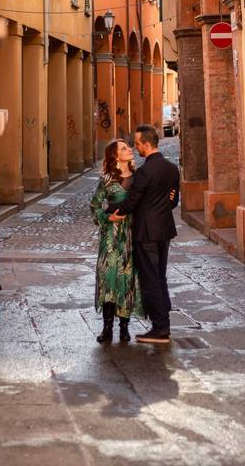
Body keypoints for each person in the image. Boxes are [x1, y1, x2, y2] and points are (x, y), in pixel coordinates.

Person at [108, 124, 180, 344]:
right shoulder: (171, 168)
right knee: (160, 277)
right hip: (164, 230)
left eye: (138, 144)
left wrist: (111, 212)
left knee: (150, 280)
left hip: (146, 233)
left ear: (146, 144)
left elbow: (132, 201)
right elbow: (173, 200)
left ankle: (160, 329)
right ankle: (163, 323)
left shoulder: (145, 171)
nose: (136, 147)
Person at [89, 139, 143, 343]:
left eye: (129, 147)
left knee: (127, 280)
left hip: (131, 235)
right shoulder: (107, 179)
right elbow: (94, 206)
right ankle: (107, 327)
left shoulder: (139, 178)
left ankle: (124, 327)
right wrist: (107, 218)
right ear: (115, 155)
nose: (130, 150)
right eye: (124, 148)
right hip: (110, 237)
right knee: (109, 278)